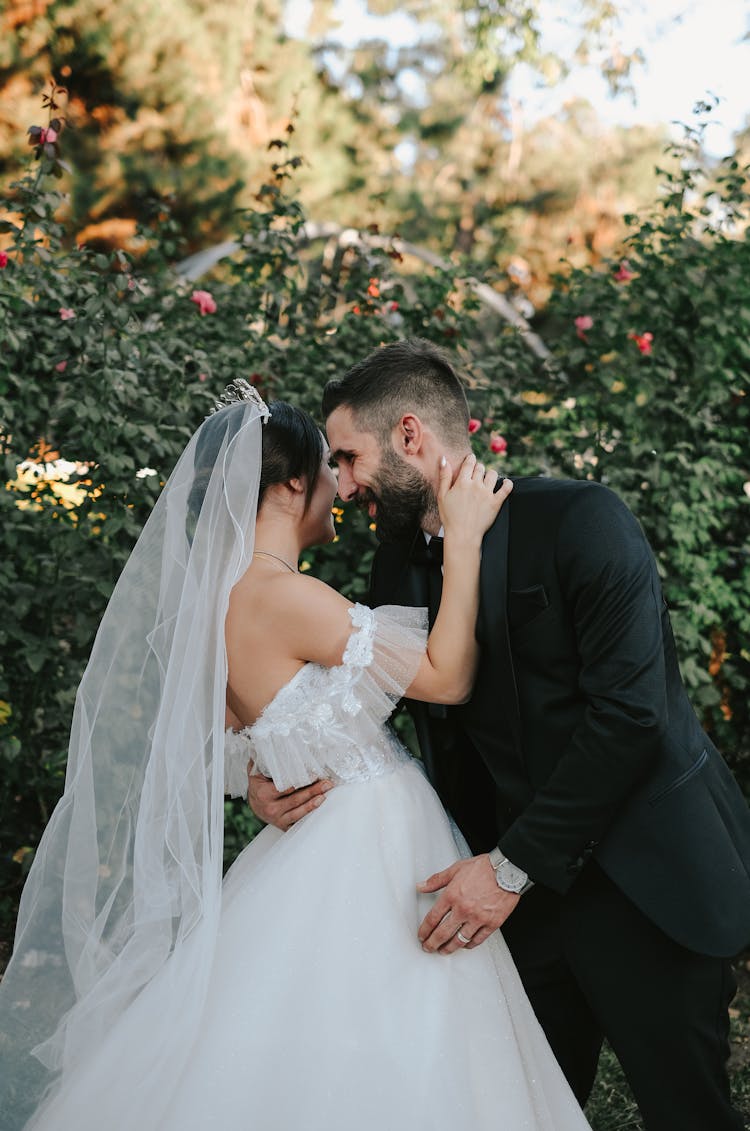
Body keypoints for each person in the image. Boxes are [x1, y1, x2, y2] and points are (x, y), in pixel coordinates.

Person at [0, 380, 593, 1131]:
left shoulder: (215, 602)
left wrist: (251, 780)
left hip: (308, 841)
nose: (341, 489)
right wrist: (467, 541)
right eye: (328, 469)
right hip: (367, 849)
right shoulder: (284, 595)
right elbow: (449, 676)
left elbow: (199, 739)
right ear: (289, 484)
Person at [249, 338, 750, 1131]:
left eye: (347, 458)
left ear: (411, 435)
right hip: (508, 909)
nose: (340, 487)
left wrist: (511, 869)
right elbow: (372, 706)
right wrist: (274, 768)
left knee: (689, 1113)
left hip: (642, 880)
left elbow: (631, 715)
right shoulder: (396, 566)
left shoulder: (581, 521)